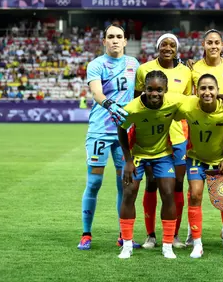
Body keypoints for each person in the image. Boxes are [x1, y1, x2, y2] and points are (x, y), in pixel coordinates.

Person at [78, 24, 140, 250]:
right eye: (110, 37)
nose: (115, 40)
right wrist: (110, 104)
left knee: (124, 185)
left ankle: (123, 235)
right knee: (94, 182)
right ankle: (86, 234)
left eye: (119, 37)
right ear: (104, 41)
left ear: (125, 41)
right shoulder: (96, 64)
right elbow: (96, 93)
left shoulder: (134, 64)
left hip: (125, 134)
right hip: (100, 132)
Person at [117, 70, 184, 259]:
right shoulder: (133, 108)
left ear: (166, 89)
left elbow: (196, 102)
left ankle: (168, 245)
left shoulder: (174, 103)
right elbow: (121, 130)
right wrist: (128, 160)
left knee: (169, 193)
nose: (154, 93)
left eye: (159, 90)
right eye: (150, 89)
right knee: (129, 193)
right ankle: (127, 245)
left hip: (163, 154)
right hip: (138, 154)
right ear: (144, 89)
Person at [174, 74, 223, 259]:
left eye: (211, 88)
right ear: (197, 91)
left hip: (221, 160)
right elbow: (168, 99)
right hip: (196, 158)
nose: (207, 92)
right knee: (195, 195)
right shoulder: (188, 104)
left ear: (218, 91)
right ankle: (197, 244)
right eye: (202, 88)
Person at [135, 33, 192, 249]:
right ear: (158, 47)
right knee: (151, 184)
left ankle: (174, 234)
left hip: (178, 137)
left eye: (172, 45)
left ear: (177, 49)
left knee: (176, 186)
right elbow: (137, 101)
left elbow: (187, 103)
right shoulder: (144, 69)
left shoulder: (186, 72)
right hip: (150, 138)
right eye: (164, 44)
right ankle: (150, 235)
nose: (168, 48)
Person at [186, 29, 223, 245]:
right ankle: (193, 232)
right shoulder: (194, 68)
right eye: (210, 42)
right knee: (195, 192)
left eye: (217, 42)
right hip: (203, 127)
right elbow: (191, 94)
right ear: (203, 44)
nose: (214, 46)